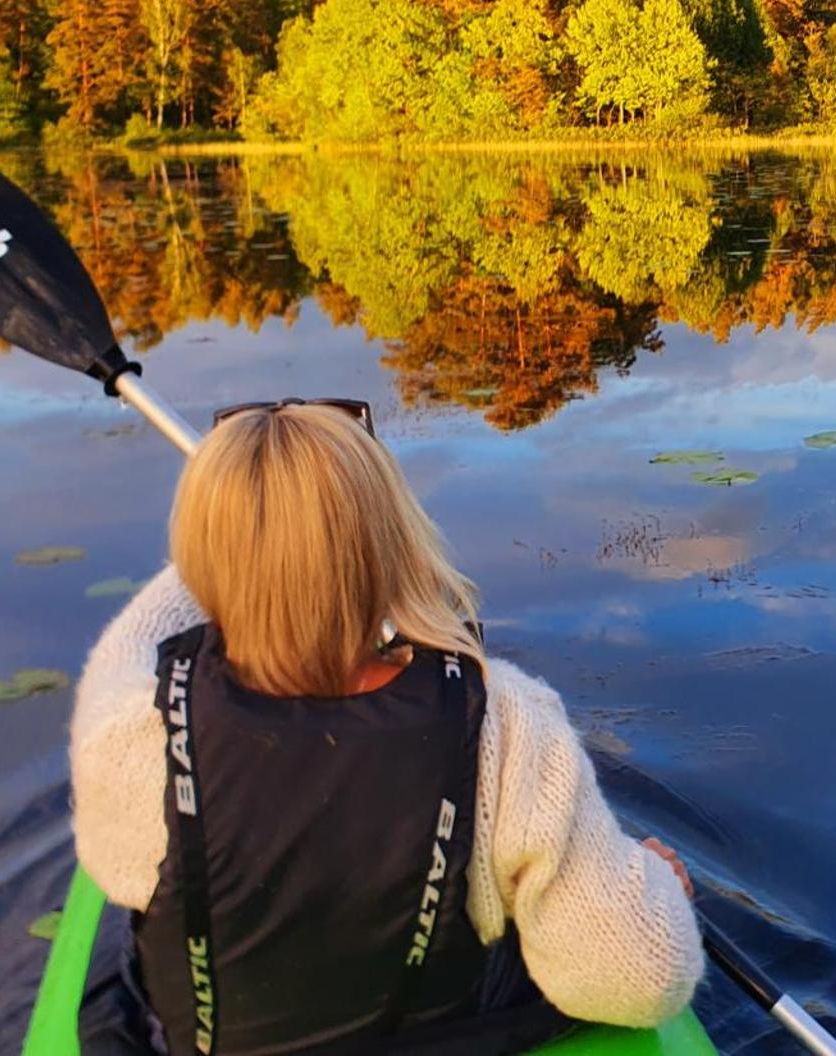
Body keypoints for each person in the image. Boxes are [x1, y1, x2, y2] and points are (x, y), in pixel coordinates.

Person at [68, 399, 703, 1054]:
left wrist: (249, 534)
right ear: (388, 544)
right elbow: (642, 981)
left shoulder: (128, 733)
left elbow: (134, 638)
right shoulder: (506, 725)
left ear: (203, 558)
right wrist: (653, 888)